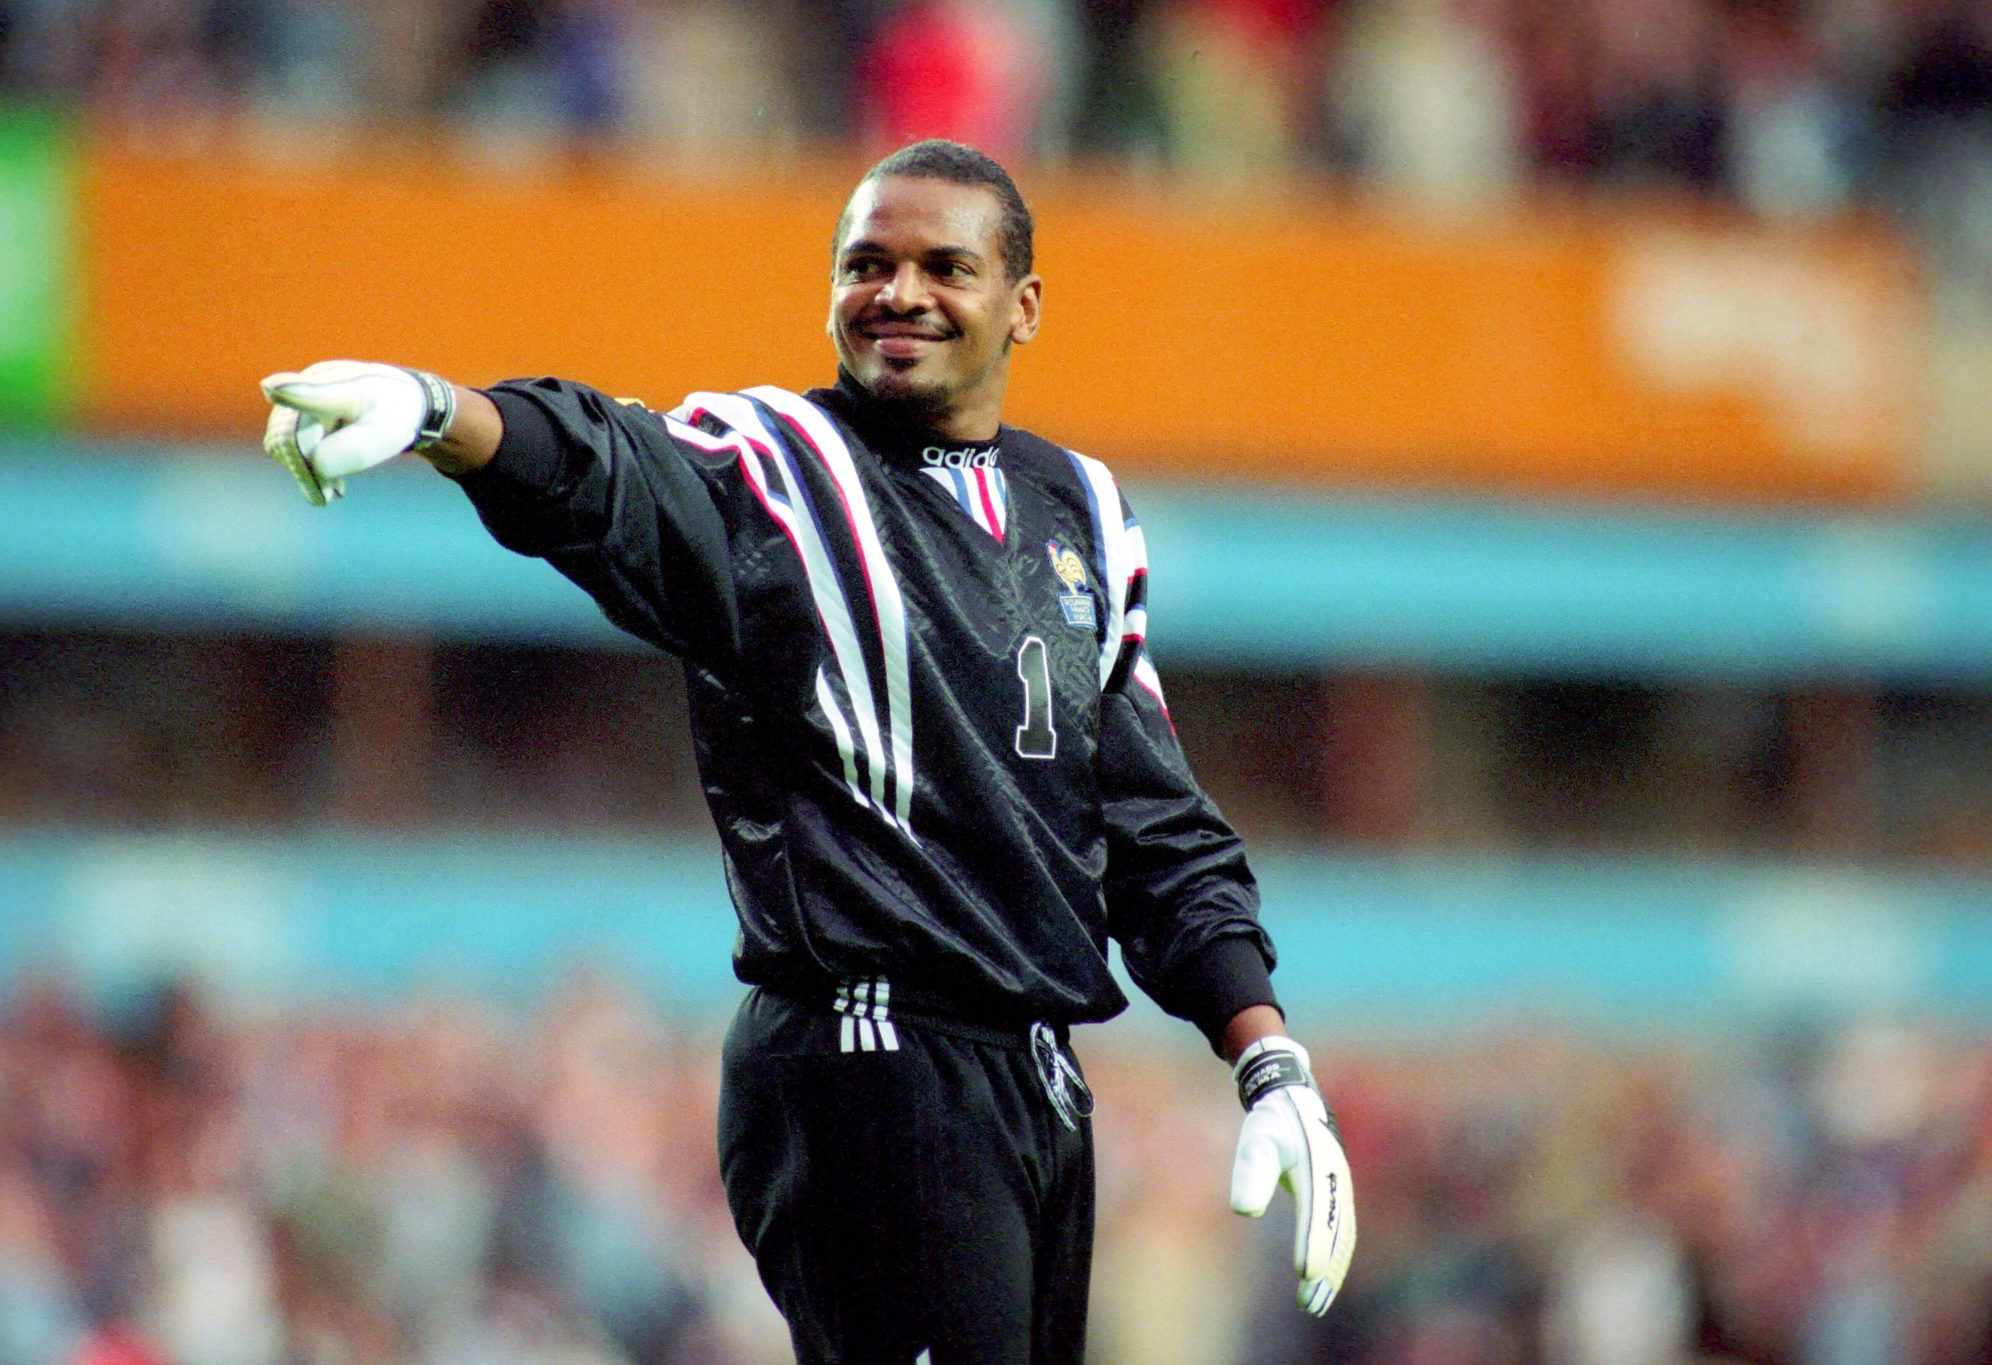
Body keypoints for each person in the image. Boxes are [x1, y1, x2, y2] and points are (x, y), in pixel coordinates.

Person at [257, 138, 1354, 1364]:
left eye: (944, 265)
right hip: (869, 1052)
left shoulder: (1084, 510)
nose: (898, 293)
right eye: (865, 263)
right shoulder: (779, 464)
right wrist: (435, 411)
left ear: (1022, 303)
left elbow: (1153, 831)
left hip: (1035, 1077)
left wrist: (1267, 1061)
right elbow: (609, 467)